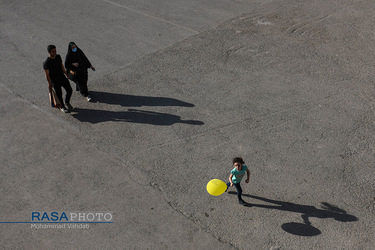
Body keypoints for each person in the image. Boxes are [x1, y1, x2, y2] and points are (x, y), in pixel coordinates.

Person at [43, 45, 73, 113]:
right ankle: (62, 107)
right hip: (54, 81)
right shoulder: (46, 62)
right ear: (49, 52)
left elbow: (61, 65)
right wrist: (50, 84)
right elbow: (47, 74)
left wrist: (66, 73)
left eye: (55, 50)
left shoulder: (58, 57)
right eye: (53, 51)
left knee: (69, 90)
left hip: (62, 77)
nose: (55, 52)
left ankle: (67, 102)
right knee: (59, 94)